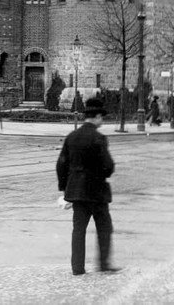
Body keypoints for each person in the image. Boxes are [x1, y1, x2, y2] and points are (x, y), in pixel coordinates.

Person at [56, 96, 121, 276]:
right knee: (104, 227)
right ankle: (104, 264)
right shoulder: (99, 138)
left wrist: (65, 188)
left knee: (78, 230)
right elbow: (108, 166)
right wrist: (103, 174)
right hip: (97, 192)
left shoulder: (72, 137)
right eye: (102, 117)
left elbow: (61, 164)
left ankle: (77, 268)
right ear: (98, 116)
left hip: (76, 191)